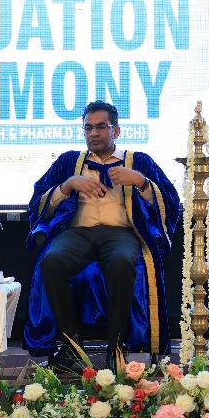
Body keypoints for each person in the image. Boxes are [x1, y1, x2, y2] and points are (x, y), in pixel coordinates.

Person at [25, 101, 179, 371]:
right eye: (88, 128)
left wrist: (141, 182)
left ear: (115, 131)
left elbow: (170, 202)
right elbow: (38, 204)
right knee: (52, 261)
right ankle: (72, 346)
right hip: (78, 233)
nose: (93, 133)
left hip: (121, 233)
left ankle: (116, 347)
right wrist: (68, 185)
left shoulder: (139, 161)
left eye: (100, 127)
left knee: (121, 263)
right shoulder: (69, 161)